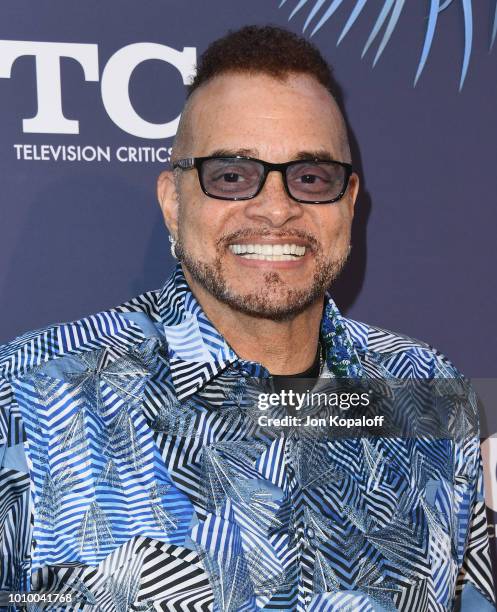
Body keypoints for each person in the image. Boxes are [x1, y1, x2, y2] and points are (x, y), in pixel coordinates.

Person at [0, 25, 494, 611]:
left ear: (349, 201)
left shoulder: (426, 388)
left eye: (311, 177)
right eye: (231, 176)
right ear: (173, 202)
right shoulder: (27, 395)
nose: (277, 208)